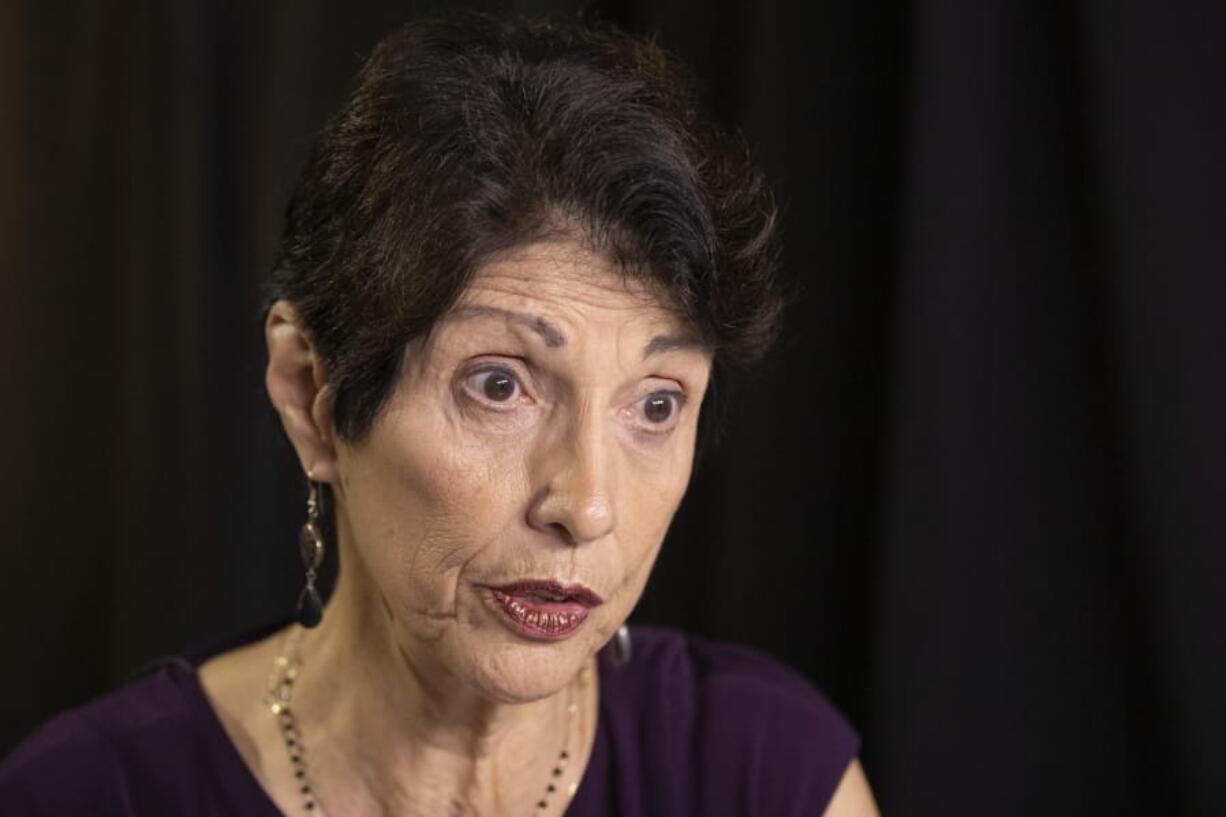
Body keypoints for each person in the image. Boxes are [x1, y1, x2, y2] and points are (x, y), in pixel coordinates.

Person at [0, 12, 878, 816]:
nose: (588, 504)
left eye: (655, 404)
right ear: (312, 393)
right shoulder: (84, 794)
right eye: (500, 385)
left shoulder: (768, 775)